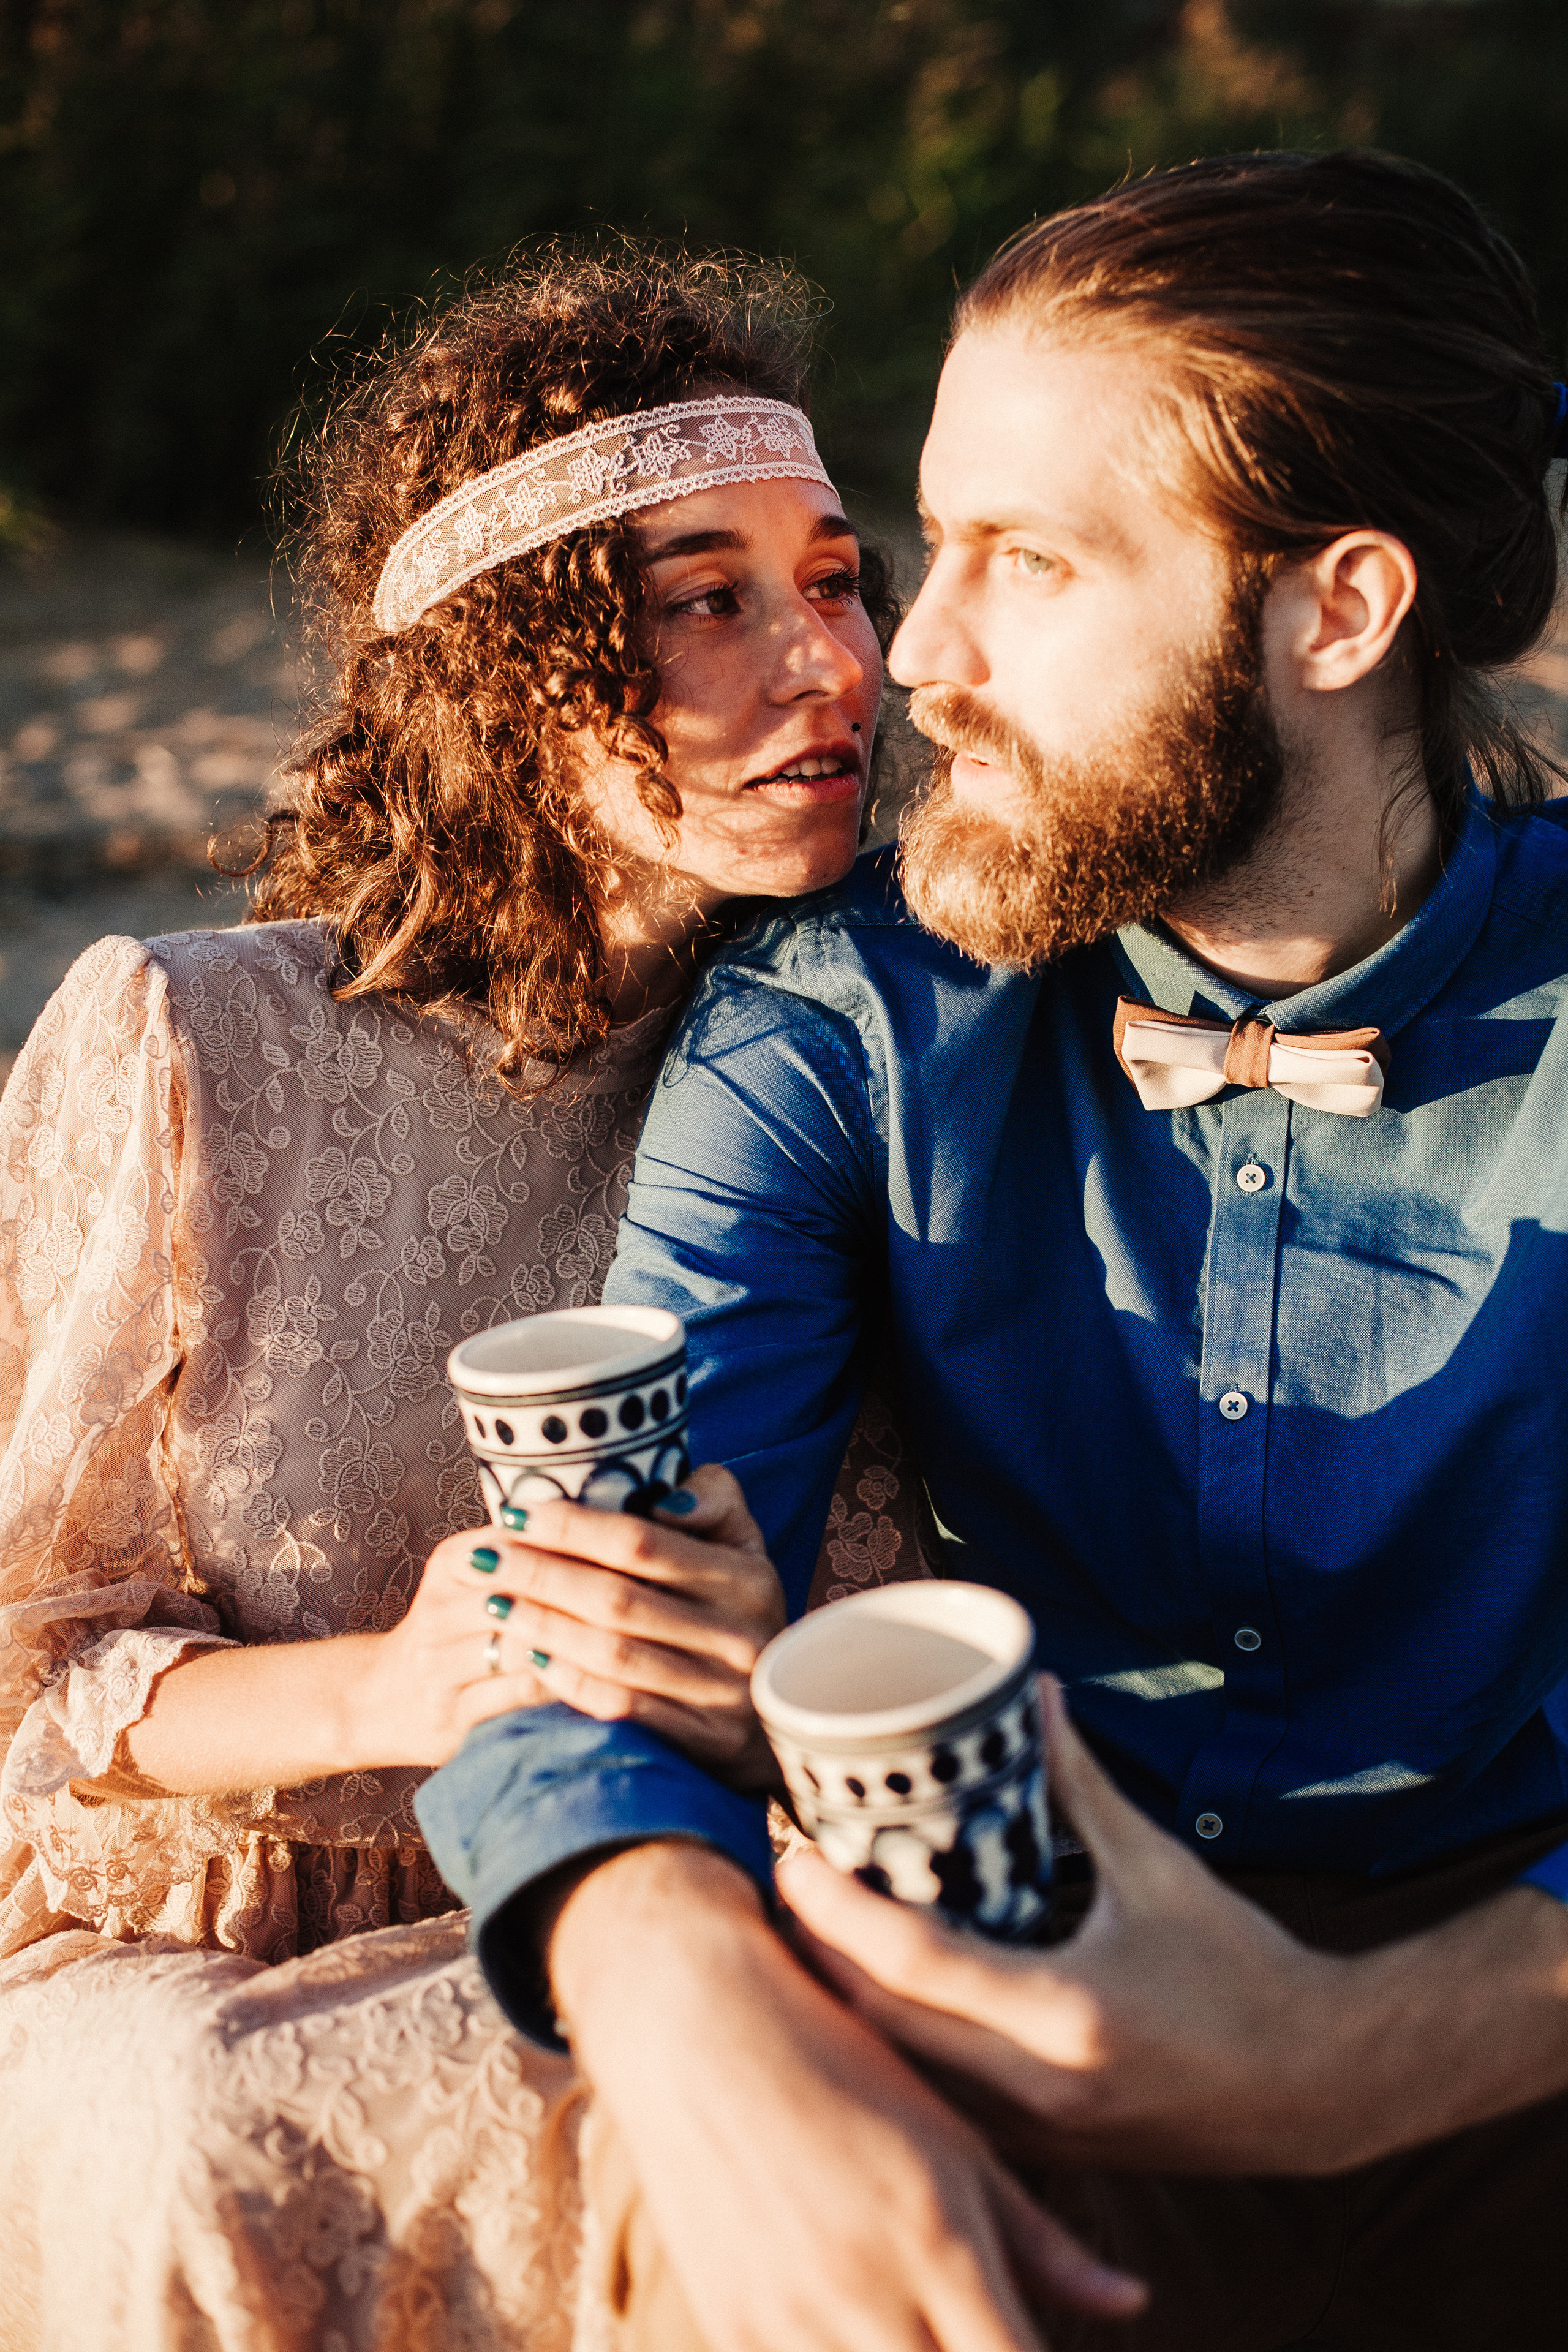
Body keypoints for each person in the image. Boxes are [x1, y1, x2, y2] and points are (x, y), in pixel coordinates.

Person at [417, 152, 1568, 2352]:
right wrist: (671, 1986)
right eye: (925, 549)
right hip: (1002, 1991)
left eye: (1024, 566)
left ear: (1338, 612)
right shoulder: (844, 1008)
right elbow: (596, 1568)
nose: (907, 662)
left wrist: (1367, 2056)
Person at [0, 245, 957, 2348]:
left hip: (675, 1889)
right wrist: (394, 1690)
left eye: (835, 577)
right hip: (196, 1950)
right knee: (203, 2110)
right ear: (518, 680)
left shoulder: (865, 1049)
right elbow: (21, 1662)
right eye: (710, 601)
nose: (831, 667)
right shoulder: (189, 1048)